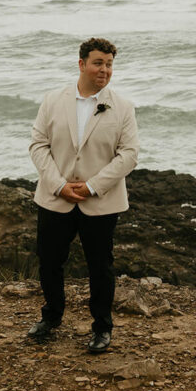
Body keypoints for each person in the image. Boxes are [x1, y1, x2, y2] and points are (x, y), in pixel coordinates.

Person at [27, 37, 139, 353]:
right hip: (55, 197)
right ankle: (51, 317)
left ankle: (102, 328)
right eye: (98, 63)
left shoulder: (123, 108)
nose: (104, 70)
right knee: (49, 261)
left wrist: (92, 187)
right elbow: (38, 145)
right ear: (81, 64)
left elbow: (129, 154)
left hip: (100, 201)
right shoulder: (52, 101)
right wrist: (58, 185)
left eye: (109, 64)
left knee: (100, 266)